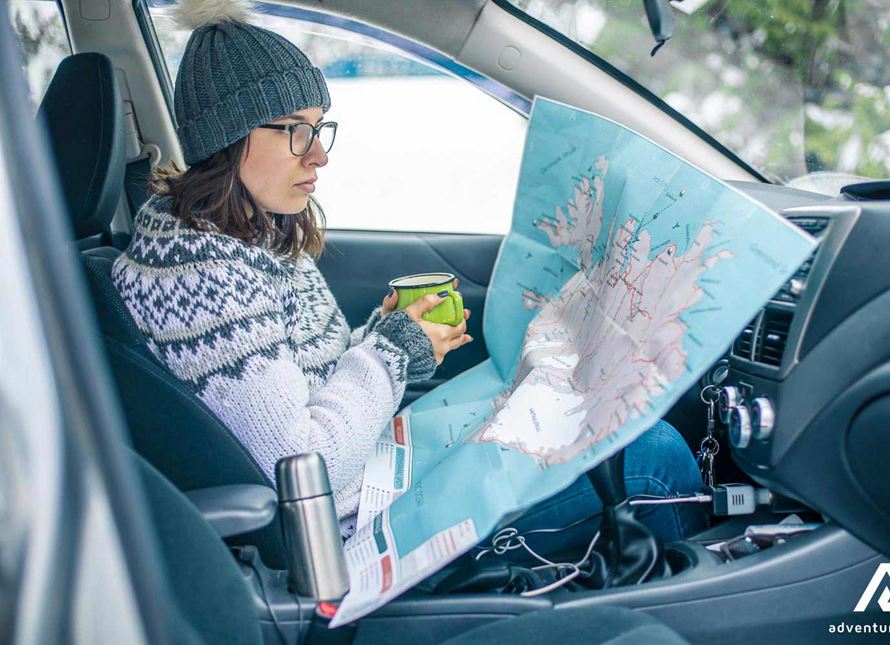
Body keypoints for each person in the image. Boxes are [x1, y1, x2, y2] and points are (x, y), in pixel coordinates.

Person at [113, 0, 705, 548]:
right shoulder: (201, 273)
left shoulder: (244, 235)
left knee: (600, 426)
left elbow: (313, 387)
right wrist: (391, 353)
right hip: (358, 532)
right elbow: (299, 465)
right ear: (229, 134)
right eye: (296, 129)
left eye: (320, 129)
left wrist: (384, 339)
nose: (318, 153)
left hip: (375, 476)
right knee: (652, 458)